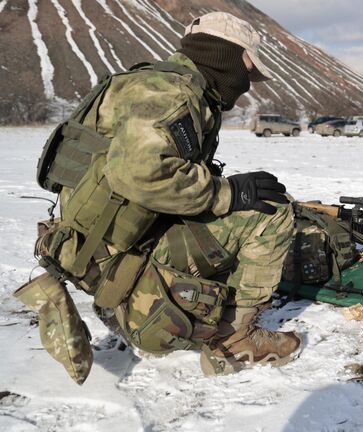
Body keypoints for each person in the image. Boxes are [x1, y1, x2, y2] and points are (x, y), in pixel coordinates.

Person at [16, 12, 301, 382]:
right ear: (226, 56)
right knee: (272, 209)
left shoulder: (144, 81)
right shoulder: (172, 93)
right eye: (248, 66)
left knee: (240, 199)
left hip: (91, 248)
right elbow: (140, 174)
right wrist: (225, 193)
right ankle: (235, 340)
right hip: (117, 255)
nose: (248, 81)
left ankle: (139, 302)